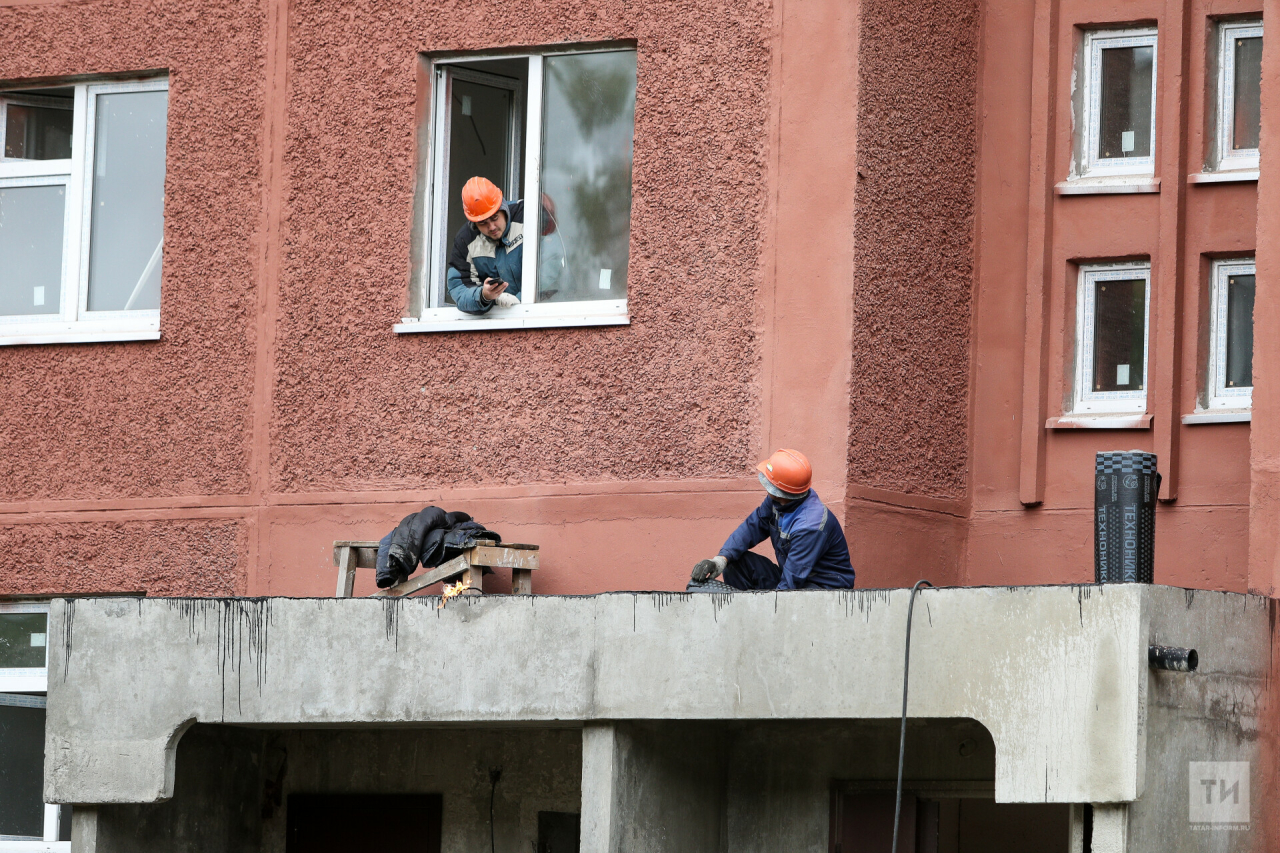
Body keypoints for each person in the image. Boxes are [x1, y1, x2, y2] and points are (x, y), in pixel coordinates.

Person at [690, 449, 856, 590]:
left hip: (824, 590)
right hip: (795, 579)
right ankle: (742, 616)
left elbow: (791, 583)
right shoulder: (777, 502)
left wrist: (773, 612)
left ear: (779, 491)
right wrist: (720, 560)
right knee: (735, 563)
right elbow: (751, 528)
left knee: (782, 598)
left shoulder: (810, 525)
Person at [445, 176, 539, 313]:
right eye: (483, 223)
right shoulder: (465, 240)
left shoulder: (527, 215)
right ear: (474, 223)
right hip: (501, 321)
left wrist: (522, 298)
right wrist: (483, 296)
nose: (492, 227)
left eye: (495, 218)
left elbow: (552, 263)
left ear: (503, 208)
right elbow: (458, 287)